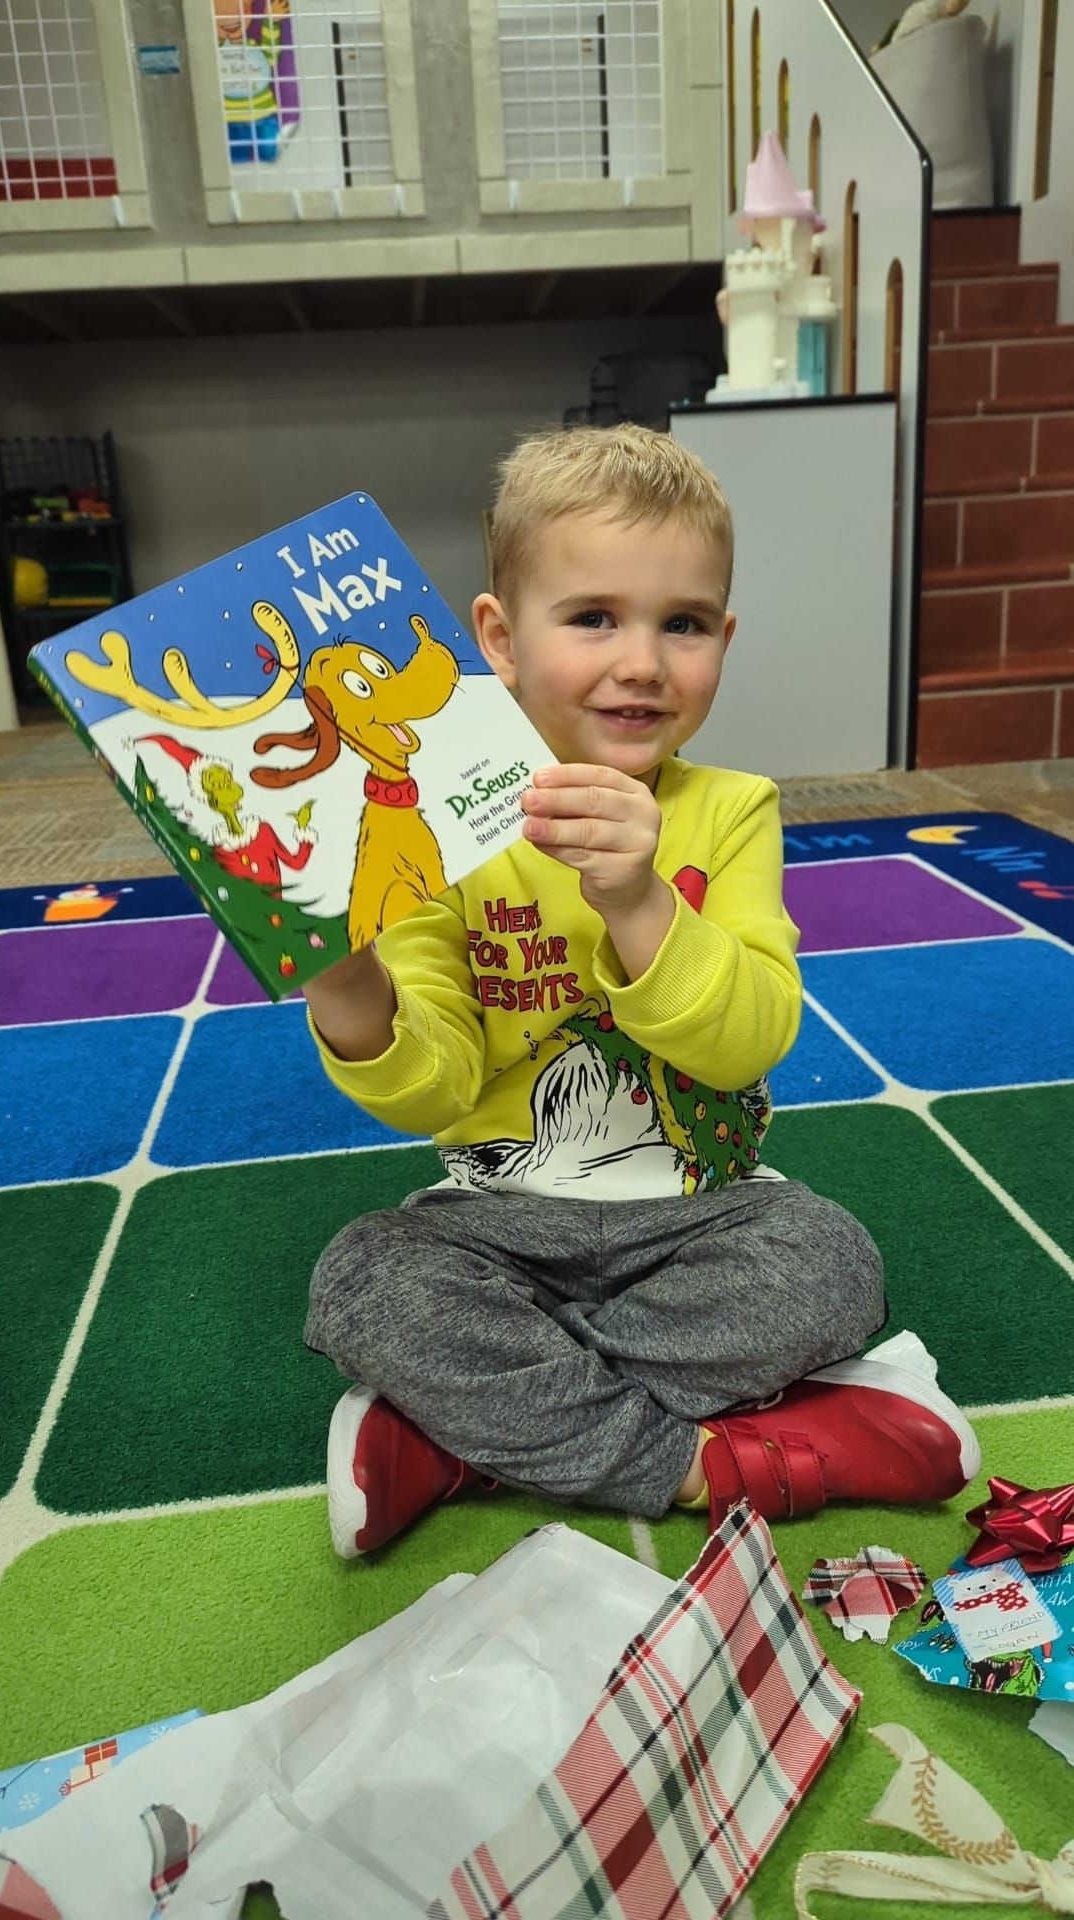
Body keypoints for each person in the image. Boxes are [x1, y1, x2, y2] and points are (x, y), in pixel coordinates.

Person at [302, 423, 980, 1557]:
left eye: (684, 623)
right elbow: (437, 1087)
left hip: (704, 1209)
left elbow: (750, 1039)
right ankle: (699, 1465)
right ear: (499, 638)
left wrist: (640, 901)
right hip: (495, 1221)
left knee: (833, 1264)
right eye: (593, 617)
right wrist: (344, 978)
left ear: (726, 634)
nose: (643, 662)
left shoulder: (733, 808)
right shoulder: (435, 828)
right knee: (363, 1278)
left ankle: (467, 1434)